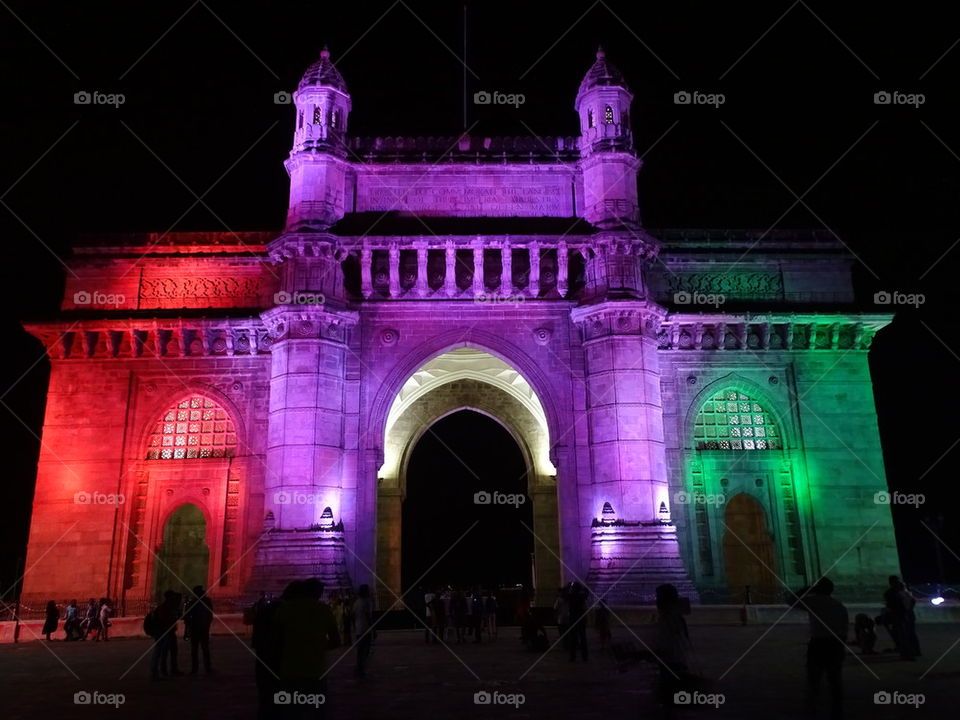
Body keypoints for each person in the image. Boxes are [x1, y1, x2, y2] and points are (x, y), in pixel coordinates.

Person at [273, 578, 340, 719]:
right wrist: (317, 646)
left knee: (291, 711)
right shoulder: (323, 609)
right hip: (316, 670)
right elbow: (335, 641)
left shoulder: (285, 609)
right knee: (317, 711)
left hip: (289, 669)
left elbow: (276, 639)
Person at [794, 577, 848, 720]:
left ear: (818, 590)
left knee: (814, 678)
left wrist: (808, 589)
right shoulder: (839, 605)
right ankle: (838, 710)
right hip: (835, 644)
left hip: (818, 644)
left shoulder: (814, 602)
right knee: (835, 679)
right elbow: (844, 630)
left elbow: (791, 600)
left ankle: (812, 710)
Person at [653, 583, 693, 719]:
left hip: (671, 668)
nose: (656, 602)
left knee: (669, 708)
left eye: (659, 598)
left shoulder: (668, 621)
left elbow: (665, 648)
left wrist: (639, 655)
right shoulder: (678, 619)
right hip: (678, 665)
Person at [148, 590, 183, 680]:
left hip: (168, 633)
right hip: (164, 633)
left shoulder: (169, 607)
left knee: (171, 652)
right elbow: (165, 621)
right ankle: (157, 672)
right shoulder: (164, 608)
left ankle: (169, 670)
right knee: (161, 653)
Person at [184, 585, 214, 674]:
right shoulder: (207, 601)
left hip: (195, 628)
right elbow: (210, 615)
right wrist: (207, 624)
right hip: (202, 628)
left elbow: (187, 616)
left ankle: (195, 669)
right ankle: (207, 668)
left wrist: (189, 626)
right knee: (204, 649)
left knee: (195, 649)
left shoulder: (193, 602)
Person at [354, 584, 373, 679]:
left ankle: (359, 667)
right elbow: (368, 616)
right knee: (366, 650)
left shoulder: (356, 602)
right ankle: (361, 668)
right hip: (365, 629)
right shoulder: (366, 602)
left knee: (360, 650)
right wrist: (372, 628)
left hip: (358, 629)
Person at [567, 582, 588, 662]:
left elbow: (566, 591)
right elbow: (587, 592)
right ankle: (584, 656)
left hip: (573, 618)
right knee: (583, 638)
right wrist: (583, 587)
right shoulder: (581, 596)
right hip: (581, 618)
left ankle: (573, 657)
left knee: (573, 639)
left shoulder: (571, 596)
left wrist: (570, 585)